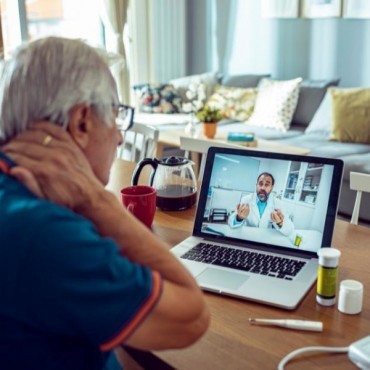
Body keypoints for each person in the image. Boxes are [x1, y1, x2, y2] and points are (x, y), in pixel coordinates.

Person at [0, 37, 209, 370]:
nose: (120, 135)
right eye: (115, 114)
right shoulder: (42, 230)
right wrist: (97, 199)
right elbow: (192, 318)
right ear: (82, 121)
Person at [228, 172, 294, 236]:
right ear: (256, 185)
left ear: (272, 187)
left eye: (267, 185)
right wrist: (239, 217)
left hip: (266, 240)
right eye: (260, 184)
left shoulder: (278, 204)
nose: (262, 188)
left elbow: (289, 230)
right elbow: (231, 224)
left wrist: (280, 223)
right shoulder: (246, 199)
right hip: (248, 237)